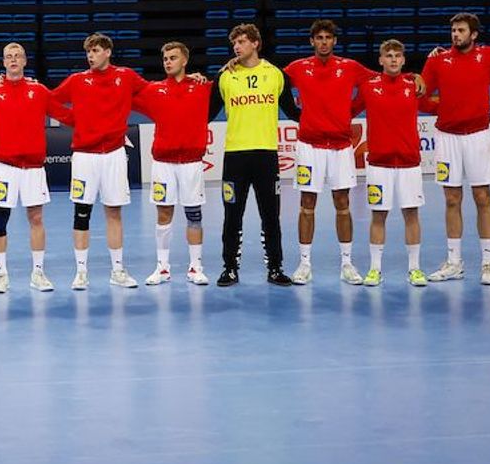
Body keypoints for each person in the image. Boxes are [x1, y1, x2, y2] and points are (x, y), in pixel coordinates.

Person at [0, 42, 66, 294]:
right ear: (4, 62)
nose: (14, 60)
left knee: (36, 218)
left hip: (33, 168)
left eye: (18, 56)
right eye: (9, 56)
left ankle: (38, 273)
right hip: (4, 168)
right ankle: (1, 275)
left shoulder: (39, 91)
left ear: (25, 61)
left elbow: (66, 115)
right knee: (0, 219)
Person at [51, 32, 150, 290]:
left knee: (114, 212)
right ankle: (81, 272)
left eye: (95, 51)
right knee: (81, 213)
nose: (90, 56)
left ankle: (117, 270)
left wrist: (190, 81)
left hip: (114, 155)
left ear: (107, 52)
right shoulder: (77, 80)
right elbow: (49, 101)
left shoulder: (126, 76)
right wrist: (73, 120)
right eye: (88, 52)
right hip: (84, 157)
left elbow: (155, 92)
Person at [283, 19, 375, 285]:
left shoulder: (350, 67)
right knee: (307, 204)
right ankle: (304, 264)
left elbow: (376, 80)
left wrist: (351, 111)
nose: (323, 42)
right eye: (319, 38)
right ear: (312, 41)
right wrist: (296, 113)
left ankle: (347, 263)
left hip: (341, 147)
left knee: (342, 203)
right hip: (309, 147)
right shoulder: (298, 67)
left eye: (328, 37)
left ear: (334, 41)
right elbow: (273, 82)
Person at [420, 13, 490, 285]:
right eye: (453, 30)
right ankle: (454, 262)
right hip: (447, 138)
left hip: (478, 137)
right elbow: (421, 95)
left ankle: (488, 263)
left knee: (482, 197)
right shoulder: (437, 60)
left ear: (474, 34)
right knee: (451, 199)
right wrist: (443, 108)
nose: (456, 35)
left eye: (461, 30)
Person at [216, 24, 299, 287]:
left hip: (266, 155)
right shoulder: (225, 76)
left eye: (241, 41)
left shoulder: (275, 75)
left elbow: (294, 112)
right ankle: (230, 268)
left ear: (255, 43)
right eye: (234, 43)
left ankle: (275, 268)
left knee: (271, 216)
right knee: (232, 216)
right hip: (235, 156)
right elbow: (203, 113)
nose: (236, 47)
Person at [131, 42, 214, 286]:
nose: (168, 62)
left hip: (191, 164)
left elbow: (228, 80)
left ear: (185, 60)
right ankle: (162, 268)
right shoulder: (154, 90)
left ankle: (196, 268)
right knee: (163, 214)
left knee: (194, 215)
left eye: (173, 57)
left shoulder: (202, 87)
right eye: (165, 58)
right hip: (163, 164)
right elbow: (124, 96)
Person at [353, 41, 428, 287]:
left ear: (403, 60)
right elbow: (348, 110)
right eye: (389, 55)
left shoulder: (414, 86)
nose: (394, 59)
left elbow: (437, 102)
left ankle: (415, 269)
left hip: (409, 163)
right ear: (381, 60)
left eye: (397, 55)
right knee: (378, 215)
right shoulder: (368, 87)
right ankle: (375, 269)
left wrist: (416, 75)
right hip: (379, 164)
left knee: (411, 215)